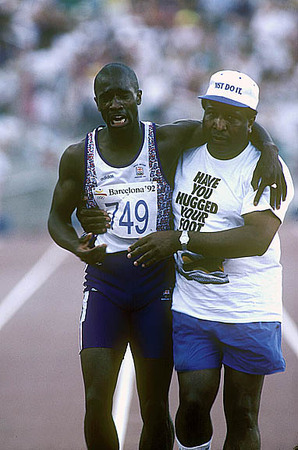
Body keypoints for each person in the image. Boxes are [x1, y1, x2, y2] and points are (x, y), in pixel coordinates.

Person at [48, 63, 286, 450]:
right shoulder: (79, 155)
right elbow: (56, 219)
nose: (116, 103)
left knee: (155, 406)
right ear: (96, 103)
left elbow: (229, 120)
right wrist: (76, 243)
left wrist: (270, 148)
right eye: (106, 97)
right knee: (95, 400)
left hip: (155, 284)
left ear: (139, 97)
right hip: (105, 282)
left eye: (123, 94)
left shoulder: (167, 140)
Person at [127, 70, 294, 450]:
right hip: (194, 309)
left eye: (232, 118)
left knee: (243, 414)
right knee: (191, 406)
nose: (219, 124)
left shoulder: (267, 169)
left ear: (251, 122)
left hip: (248, 309)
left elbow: (256, 238)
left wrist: (181, 239)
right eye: (212, 113)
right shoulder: (185, 154)